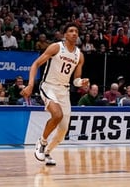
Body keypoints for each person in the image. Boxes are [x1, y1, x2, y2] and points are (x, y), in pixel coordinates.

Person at [22, 22, 88, 167]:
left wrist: (81, 82)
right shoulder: (56, 47)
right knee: (57, 115)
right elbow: (35, 64)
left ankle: (47, 152)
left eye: (76, 31)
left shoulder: (79, 55)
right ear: (65, 34)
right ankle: (42, 142)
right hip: (49, 86)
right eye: (71, 31)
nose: (74, 33)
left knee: (63, 130)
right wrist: (30, 84)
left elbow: (75, 80)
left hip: (64, 90)